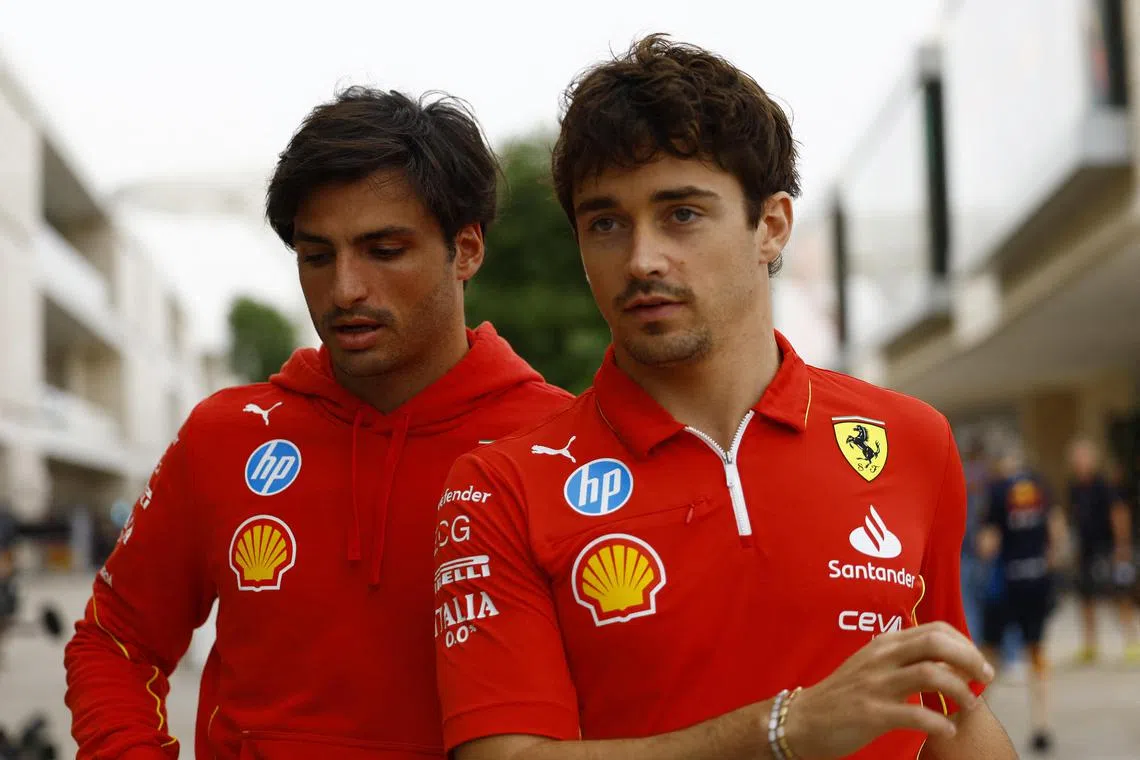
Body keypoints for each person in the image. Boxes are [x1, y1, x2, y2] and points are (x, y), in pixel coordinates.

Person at [431, 35, 1014, 760]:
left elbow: (950, 710)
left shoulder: (910, 440)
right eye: (606, 223)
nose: (641, 259)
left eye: (682, 214)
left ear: (770, 226)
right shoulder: (501, 487)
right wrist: (784, 731)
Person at [63, 87, 572, 759]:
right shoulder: (225, 434)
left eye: (384, 250)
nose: (345, 289)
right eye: (317, 255)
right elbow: (115, 641)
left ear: (467, 250)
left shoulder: (564, 442)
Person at [976, 446, 1065, 754]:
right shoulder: (1040, 486)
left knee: (990, 656)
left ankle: (970, 725)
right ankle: (1042, 726)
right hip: (1037, 582)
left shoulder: (998, 491)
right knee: (1037, 652)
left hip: (1006, 587)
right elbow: (1056, 530)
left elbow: (988, 544)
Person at [1066, 437, 1140, 663]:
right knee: (1085, 597)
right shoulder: (1075, 488)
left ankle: (1132, 642)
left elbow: (1119, 513)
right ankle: (1090, 645)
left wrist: (1122, 546)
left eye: (1083, 457)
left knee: (1121, 593)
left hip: (1108, 547)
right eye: (1075, 458)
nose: (1079, 462)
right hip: (1086, 549)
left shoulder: (1104, 485)